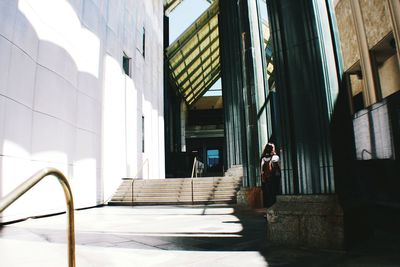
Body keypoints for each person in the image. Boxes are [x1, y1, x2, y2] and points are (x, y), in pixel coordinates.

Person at [260, 142, 281, 208]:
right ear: (273, 149)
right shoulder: (276, 157)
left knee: (269, 194)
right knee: (275, 193)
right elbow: (280, 167)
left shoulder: (263, 158)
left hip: (267, 178)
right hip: (275, 177)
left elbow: (262, 170)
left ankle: (269, 208)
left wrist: (263, 179)